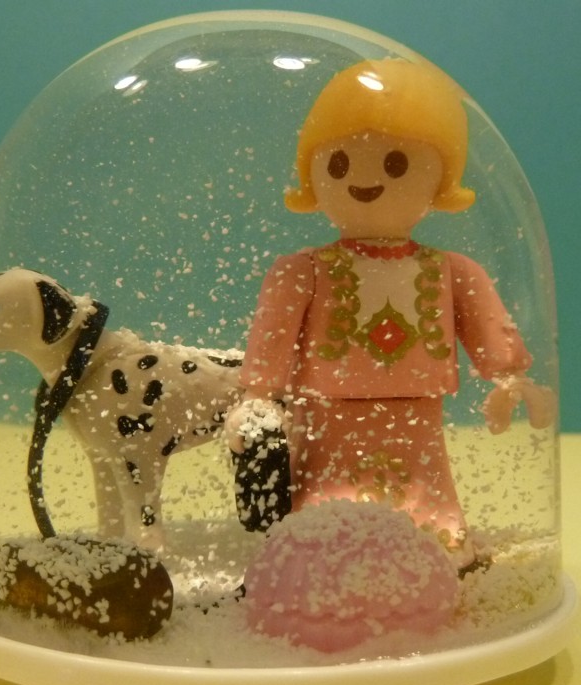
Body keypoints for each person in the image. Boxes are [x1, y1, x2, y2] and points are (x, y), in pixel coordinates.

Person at [226, 58, 554, 566]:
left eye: (396, 163)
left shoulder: (451, 270)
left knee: (425, 495)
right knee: (327, 496)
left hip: (417, 412)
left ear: (442, 177)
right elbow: (273, 337)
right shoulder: (303, 271)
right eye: (338, 164)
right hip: (327, 414)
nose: (363, 179)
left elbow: (486, 326)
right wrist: (257, 396)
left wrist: (511, 378)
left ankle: (436, 547)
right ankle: (326, 548)